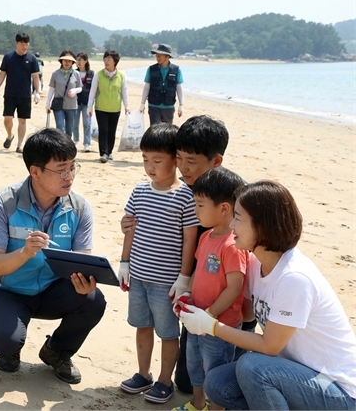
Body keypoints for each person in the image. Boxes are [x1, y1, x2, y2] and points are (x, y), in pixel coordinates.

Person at [180, 181, 356, 410]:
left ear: (262, 227)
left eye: (238, 218)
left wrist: (210, 325)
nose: (232, 225)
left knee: (252, 367)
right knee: (218, 383)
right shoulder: (256, 263)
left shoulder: (294, 277)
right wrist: (190, 301)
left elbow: (270, 346)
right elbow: (245, 314)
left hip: (338, 390)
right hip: (293, 372)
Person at [122, 115, 244, 395]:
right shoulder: (171, 190)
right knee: (188, 382)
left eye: (191, 161)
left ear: (216, 161)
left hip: (222, 297)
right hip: (191, 291)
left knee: (207, 374)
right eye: (178, 158)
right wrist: (128, 231)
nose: (182, 167)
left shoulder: (232, 197)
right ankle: (147, 374)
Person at [0, 128, 107, 384]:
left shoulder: (79, 206)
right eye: (61, 169)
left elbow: (82, 259)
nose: (69, 176)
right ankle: (10, 349)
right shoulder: (3, 203)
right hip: (9, 290)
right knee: (4, 341)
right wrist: (25, 252)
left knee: (93, 299)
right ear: (35, 171)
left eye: (72, 167)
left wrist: (84, 281)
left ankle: (57, 351)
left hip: (53, 289)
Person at [117, 123, 199, 404]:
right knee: (142, 326)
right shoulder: (139, 191)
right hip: (138, 276)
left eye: (157, 160)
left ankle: (165, 380)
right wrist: (124, 263)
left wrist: (184, 278)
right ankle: (143, 373)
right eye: (145, 159)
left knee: (167, 332)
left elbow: (190, 240)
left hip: (166, 282)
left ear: (175, 160)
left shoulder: (185, 197)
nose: (149, 167)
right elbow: (130, 229)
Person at [172, 167, 248, 411]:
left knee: (215, 370)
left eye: (200, 205)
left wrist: (210, 316)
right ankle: (198, 404)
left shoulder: (233, 245)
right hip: (196, 318)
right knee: (194, 365)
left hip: (219, 325)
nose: (195, 210)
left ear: (224, 208)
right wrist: (187, 295)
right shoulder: (206, 237)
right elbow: (198, 270)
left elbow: (234, 287)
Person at [0, 33, 41, 153]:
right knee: (7, 118)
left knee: (22, 120)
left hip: (25, 94)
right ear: (16, 43)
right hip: (10, 93)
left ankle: (19, 145)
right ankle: (10, 135)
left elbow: (35, 76)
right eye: (22, 44)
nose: (24, 46)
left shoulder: (32, 58)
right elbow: (2, 74)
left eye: (26, 44)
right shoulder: (8, 57)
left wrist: (37, 92)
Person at [87, 49, 130, 163]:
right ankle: (103, 153)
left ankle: (109, 152)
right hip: (101, 108)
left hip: (115, 109)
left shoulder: (121, 75)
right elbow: (92, 91)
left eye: (109, 59)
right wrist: (89, 106)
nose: (106, 61)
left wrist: (127, 106)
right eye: (105, 59)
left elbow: (124, 92)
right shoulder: (98, 75)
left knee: (112, 132)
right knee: (103, 131)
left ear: (115, 61)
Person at [140, 43, 184, 126]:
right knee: (154, 130)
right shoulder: (151, 69)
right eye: (156, 56)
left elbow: (179, 88)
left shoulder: (176, 70)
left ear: (167, 56)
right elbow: (146, 87)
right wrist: (142, 103)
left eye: (160, 56)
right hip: (153, 106)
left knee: (167, 131)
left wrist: (181, 105)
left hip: (169, 106)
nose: (157, 58)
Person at [46, 50, 82, 139]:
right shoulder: (55, 74)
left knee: (69, 130)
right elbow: (52, 89)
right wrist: (48, 103)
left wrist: (75, 91)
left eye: (69, 61)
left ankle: (67, 145)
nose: (67, 62)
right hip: (58, 105)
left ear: (72, 62)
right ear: (61, 61)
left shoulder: (76, 74)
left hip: (72, 106)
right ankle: (60, 145)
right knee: (60, 128)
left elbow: (80, 88)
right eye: (65, 60)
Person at [75, 52, 95, 153]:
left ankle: (87, 143)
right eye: (77, 60)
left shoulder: (91, 74)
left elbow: (94, 88)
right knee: (74, 123)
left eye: (80, 60)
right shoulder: (74, 73)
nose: (78, 62)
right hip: (75, 102)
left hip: (87, 102)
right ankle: (76, 141)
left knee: (87, 123)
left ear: (86, 61)